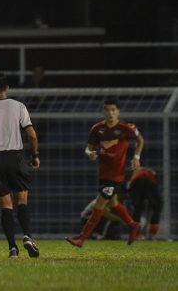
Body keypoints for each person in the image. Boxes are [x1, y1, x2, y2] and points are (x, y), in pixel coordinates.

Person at [0, 73, 40, 259]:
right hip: (16, 157)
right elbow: (32, 135)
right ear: (7, 88)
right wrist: (35, 156)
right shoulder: (19, 106)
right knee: (22, 200)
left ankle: (12, 248)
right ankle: (27, 236)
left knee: (5, 206)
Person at [66, 98, 143, 248]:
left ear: (118, 112)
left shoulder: (126, 128)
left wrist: (136, 157)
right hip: (104, 174)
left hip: (117, 175)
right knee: (113, 204)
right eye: (107, 110)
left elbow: (140, 140)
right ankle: (133, 225)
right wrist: (90, 153)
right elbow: (88, 148)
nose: (110, 113)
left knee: (99, 204)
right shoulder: (97, 129)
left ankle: (82, 238)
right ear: (103, 111)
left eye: (113, 110)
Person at [127, 166, 162, 239]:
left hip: (136, 183)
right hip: (149, 181)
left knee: (137, 209)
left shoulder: (135, 174)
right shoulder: (150, 173)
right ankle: (152, 235)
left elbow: (129, 188)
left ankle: (136, 234)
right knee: (157, 207)